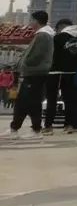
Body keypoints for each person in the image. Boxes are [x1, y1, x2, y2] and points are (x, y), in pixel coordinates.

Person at [0, 11, 53, 141]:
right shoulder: (43, 34)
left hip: (35, 73)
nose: (30, 23)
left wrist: (26, 63)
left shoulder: (43, 35)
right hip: (34, 73)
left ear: (37, 21)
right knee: (25, 102)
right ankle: (16, 128)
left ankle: (34, 130)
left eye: (32, 20)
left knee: (29, 102)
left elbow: (37, 55)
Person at [43, 19, 77, 134]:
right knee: (69, 99)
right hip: (71, 73)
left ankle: (48, 126)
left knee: (52, 99)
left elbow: (50, 54)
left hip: (55, 72)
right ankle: (69, 125)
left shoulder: (58, 38)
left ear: (61, 27)